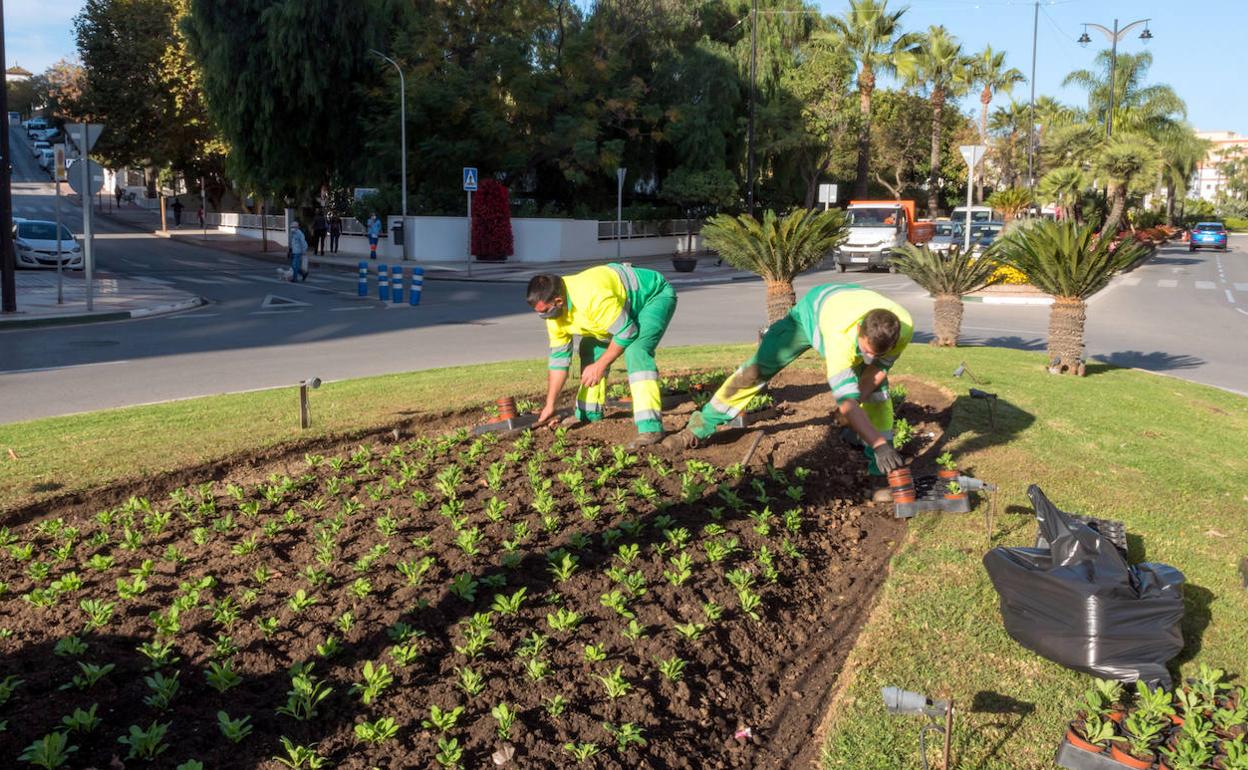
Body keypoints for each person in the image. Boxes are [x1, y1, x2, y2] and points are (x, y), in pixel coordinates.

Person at [665, 283, 913, 498]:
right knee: (754, 370)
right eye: (865, 350)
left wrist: (868, 430)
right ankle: (699, 426)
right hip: (812, 314)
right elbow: (848, 400)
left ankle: (880, 474)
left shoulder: (904, 326)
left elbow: (877, 370)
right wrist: (869, 432)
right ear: (859, 329)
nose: (868, 358)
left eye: (875, 353)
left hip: (848, 302)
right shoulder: (839, 338)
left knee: (879, 393)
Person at [528, 264, 678, 448]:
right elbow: (559, 361)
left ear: (558, 301)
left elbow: (626, 332)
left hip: (652, 297)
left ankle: (650, 427)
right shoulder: (555, 316)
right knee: (590, 347)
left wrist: (600, 365)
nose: (543, 317)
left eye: (544, 312)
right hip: (616, 309)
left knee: (636, 351)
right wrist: (550, 404)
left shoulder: (591, 298)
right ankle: (588, 414)